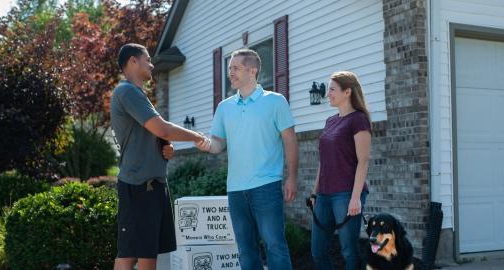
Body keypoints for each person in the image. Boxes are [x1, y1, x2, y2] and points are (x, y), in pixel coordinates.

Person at [196, 48, 298, 270]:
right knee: (245, 250)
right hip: (235, 189)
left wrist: (292, 178)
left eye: (235, 68)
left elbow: (290, 140)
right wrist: (205, 144)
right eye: (229, 68)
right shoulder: (224, 107)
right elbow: (218, 144)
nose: (230, 73)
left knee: (275, 246)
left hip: (267, 186)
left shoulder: (276, 101)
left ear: (252, 71)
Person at [110, 43, 207, 270]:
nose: (152, 64)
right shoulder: (126, 92)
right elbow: (161, 128)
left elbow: (155, 135)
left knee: (148, 253)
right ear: (133, 61)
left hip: (152, 184)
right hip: (137, 185)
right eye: (148, 59)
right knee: (129, 253)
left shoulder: (138, 95)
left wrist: (166, 149)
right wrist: (196, 137)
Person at [309, 71, 371, 270]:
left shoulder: (358, 120)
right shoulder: (330, 121)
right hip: (324, 195)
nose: (328, 94)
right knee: (317, 251)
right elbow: (323, 160)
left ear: (347, 92)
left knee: (348, 251)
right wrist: (313, 192)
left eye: (332, 89)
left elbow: (363, 161)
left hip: (346, 193)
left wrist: (355, 198)